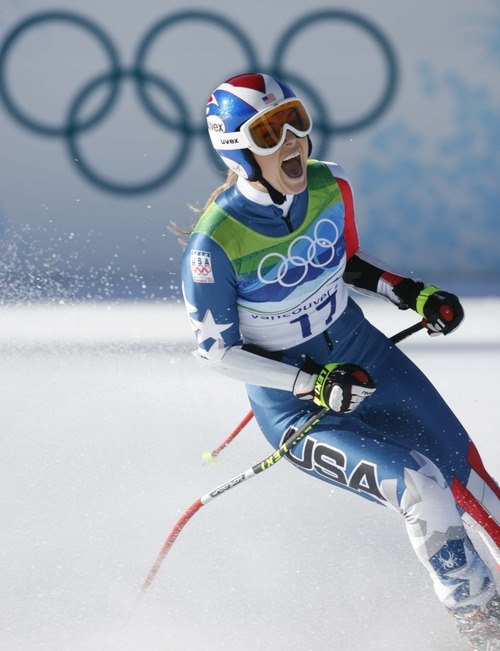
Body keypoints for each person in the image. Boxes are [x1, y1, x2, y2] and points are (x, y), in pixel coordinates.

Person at [180, 72, 499, 649]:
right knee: (419, 483)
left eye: (296, 121)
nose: (293, 141)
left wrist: (411, 293)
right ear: (236, 148)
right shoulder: (213, 245)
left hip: (366, 357)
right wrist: (309, 381)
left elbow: (345, 259)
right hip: (301, 412)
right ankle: (483, 622)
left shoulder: (332, 185)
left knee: (466, 472)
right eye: (269, 132)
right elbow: (216, 353)